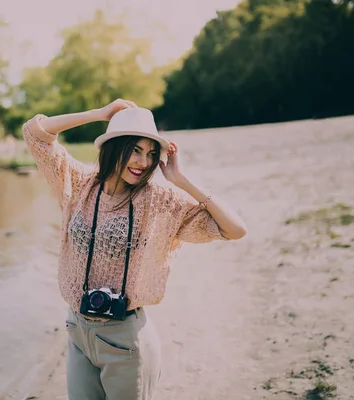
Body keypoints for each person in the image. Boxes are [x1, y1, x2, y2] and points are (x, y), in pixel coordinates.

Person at [22, 99, 247, 400]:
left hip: (125, 339)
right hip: (77, 331)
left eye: (151, 154)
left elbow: (235, 229)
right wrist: (99, 114)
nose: (143, 162)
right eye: (135, 150)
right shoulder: (80, 185)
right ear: (115, 146)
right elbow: (35, 133)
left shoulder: (160, 201)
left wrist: (182, 181)